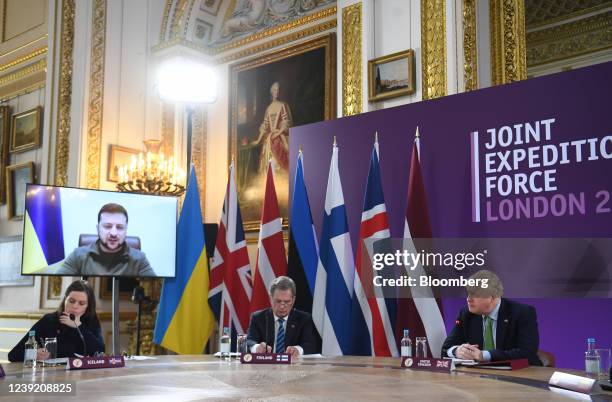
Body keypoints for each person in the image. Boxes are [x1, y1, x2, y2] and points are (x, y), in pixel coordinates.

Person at [441, 270, 543, 365]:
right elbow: (445, 349)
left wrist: (483, 355)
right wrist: (457, 351)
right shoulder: (466, 314)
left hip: (522, 375)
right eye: (468, 293)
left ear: (493, 297)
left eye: (475, 295)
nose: (468, 299)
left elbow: (527, 353)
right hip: (482, 377)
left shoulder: (522, 313)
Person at [8, 280, 105, 362]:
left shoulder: (91, 320)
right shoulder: (49, 320)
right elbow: (13, 355)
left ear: (88, 306)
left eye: (81, 303)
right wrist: (33, 354)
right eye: (71, 301)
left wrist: (78, 326)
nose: (75, 306)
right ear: (64, 300)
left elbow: (100, 352)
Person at [53, 203, 155, 276]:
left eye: (119, 227)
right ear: (98, 228)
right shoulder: (78, 255)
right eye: (107, 226)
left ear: (126, 230)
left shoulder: (140, 258)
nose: (113, 233)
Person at [247, 276, 318, 358]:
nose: (282, 306)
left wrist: (297, 349)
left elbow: (310, 345)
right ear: (270, 298)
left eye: (287, 302)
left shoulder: (304, 319)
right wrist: (257, 347)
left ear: (293, 300)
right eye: (278, 301)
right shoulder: (258, 317)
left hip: (293, 367)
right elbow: (249, 341)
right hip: (266, 367)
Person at [252, 82, 292, 173]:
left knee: (282, 164)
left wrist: (278, 133)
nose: (276, 92)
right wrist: (258, 140)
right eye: (275, 90)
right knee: (270, 164)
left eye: (278, 90)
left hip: (280, 136)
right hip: (270, 139)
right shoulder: (268, 108)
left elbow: (285, 123)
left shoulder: (283, 106)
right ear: (271, 92)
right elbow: (265, 126)